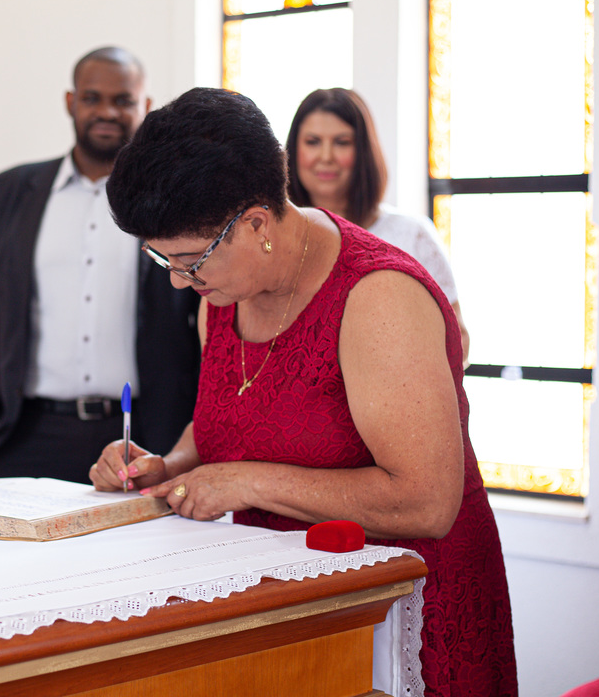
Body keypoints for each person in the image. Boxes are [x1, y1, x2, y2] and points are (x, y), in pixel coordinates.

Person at [90, 88, 517, 696]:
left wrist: (244, 482)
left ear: (256, 223)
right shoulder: (226, 291)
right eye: (165, 263)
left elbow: (427, 503)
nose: (181, 283)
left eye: (188, 261)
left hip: (405, 606)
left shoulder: (379, 297)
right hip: (293, 604)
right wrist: (168, 465)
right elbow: (232, 420)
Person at [0, 47, 201, 484]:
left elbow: (203, 307)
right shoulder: (13, 190)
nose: (107, 112)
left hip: (145, 435)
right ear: (71, 101)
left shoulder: (175, 199)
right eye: (92, 98)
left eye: (123, 100)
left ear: (146, 106)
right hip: (27, 436)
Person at [285, 87, 470, 362]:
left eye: (342, 142)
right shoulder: (274, 240)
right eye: (312, 142)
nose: (326, 156)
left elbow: (458, 343)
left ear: (364, 151)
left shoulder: (411, 235)